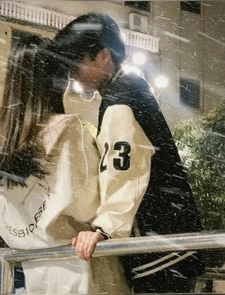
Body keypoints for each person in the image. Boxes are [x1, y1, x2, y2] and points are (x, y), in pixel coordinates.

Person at [53, 12, 205, 293]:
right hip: (171, 235)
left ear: (103, 56)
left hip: (160, 243)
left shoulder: (120, 100)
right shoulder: (127, 89)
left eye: (76, 62)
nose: (72, 72)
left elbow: (123, 170)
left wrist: (103, 229)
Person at [0, 35, 152, 293]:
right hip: (82, 264)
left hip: (35, 269)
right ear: (55, 79)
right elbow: (88, 201)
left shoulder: (2, 140)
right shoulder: (67, 129)